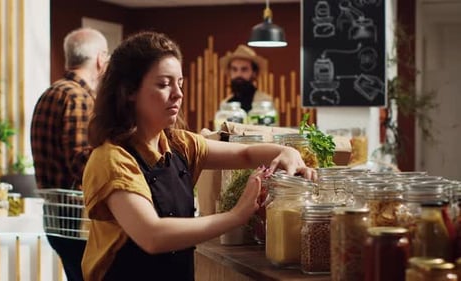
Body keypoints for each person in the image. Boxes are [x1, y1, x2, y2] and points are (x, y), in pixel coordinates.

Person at [80, 31, 316, 281]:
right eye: (163, 84)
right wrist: (236, 216)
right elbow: (153, 235)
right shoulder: (111, 159)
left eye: (180, 83)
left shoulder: (178, 144)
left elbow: (246, 153)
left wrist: (286, 151)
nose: (178, 94)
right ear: (129, 91)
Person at [30, 27, 109, 281]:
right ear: (100, 59)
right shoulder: (78, 97)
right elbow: (82, 163)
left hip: (55, 218)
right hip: (77, 221)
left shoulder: (50, 92)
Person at [219, 44, 273, 112]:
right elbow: (222, 123)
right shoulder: (225, 104)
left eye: (244, 69)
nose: (238, 74)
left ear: (254, 73)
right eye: (234, 69)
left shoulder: (265, 102)